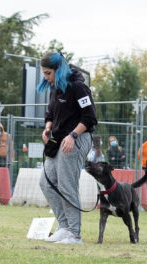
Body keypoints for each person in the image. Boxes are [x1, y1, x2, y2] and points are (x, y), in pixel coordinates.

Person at [37, 51, 97, 244]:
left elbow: (89, 117)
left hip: (77, 139)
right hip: (58, 140)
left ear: (58, 69)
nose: (45, 77)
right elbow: (50, 114)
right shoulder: (56, 88)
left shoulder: (78, 87)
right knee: (46, 182)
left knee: (66, 184)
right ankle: (64, 227)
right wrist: (47, 128)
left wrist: (73, 135)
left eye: (48, 73)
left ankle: (74, 234)